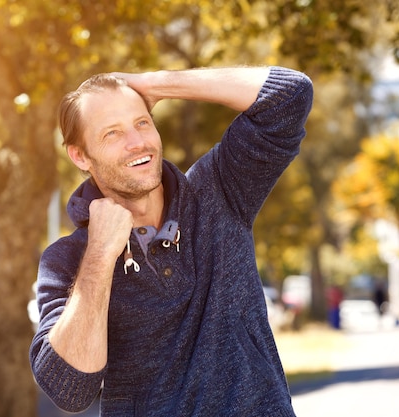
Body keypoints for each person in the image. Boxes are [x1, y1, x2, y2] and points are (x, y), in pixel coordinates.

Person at [30, 65, 313, 416]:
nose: (137, 142)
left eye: (142, 122)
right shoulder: (67, 260)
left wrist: (156, 84)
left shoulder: (219, 191)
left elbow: (290, 95)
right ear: (80, 155)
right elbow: (69, 388)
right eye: (112, 134)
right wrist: (101, 253)